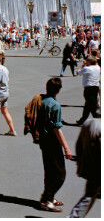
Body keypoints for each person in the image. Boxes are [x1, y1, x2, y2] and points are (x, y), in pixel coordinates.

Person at [35, 78, 76, 211]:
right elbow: (57, 128)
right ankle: (46, 199)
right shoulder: (55, 105)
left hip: (43, 139)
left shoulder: (41, 100)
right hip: (52, 141)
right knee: (59, 173)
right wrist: (67, 147)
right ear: (58, 90)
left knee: (49, 171)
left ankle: (49, 197)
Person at [70, 115, 100, 217]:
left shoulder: (88, 123)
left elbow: (78, 145)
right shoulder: (100, 127)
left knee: (90, 195)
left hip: (92, 167)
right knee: (89, 196)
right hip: (98, 169)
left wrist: (79, 163)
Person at [79, 56, 100, 125]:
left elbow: (78, 72)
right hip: (95, 88)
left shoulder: (87, 68)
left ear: (89, 62)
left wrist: (83, 65)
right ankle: (82, 120)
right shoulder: (98, 67)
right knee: (88, 105)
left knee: (92, 106)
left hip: (89, 89)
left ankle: (98, 120)